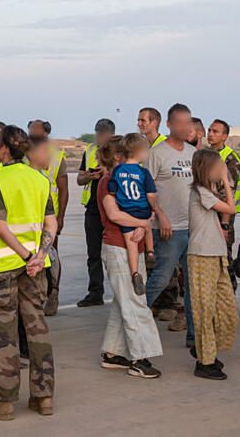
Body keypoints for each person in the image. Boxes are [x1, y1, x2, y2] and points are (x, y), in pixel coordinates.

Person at [0, 125, 56, 421]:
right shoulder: (39, 179)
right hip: (35, 268)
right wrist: (39, 255)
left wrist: (26, 255)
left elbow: (1, 227)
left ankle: (2, 402)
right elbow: (51, 223)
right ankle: (43, 397)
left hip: (5, 266)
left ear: (4, 149)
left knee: (3, 335)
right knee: (37, 329)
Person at [95, 135, 162, 379]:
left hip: (133, 247)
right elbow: (115, 215)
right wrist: (143, 223)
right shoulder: (108, 181)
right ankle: (140, 358)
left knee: (122, 301)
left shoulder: (128, 179)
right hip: (117, 247)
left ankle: (113, 353)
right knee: (136, 303)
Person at [145, 104, 196, 351]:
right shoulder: (157, 154)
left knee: (193, 283)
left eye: (189, 123)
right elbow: (147, 190)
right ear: (169, 125)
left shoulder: (193, 153)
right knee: (161, 278)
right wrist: (160, 215)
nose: (186, 127)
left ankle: (194, 337)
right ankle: (134, 320)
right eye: (181, 123)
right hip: (167, 229)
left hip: (192, 229)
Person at [188, 148, 240, 378]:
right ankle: (204, 360)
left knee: (226, 308)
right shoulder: (201, 191)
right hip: (202, 255)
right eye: (218, 166)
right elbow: (230, 207)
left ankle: (204, 349)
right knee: (204, 309)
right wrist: (226, 183)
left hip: (216, 254)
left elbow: (224, 216)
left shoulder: (207, 192)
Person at [106, 133, 157, 295]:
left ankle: (135, 273)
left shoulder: (117, 171)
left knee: (131, 245)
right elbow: (150, 194)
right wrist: (154, 208)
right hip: (142, 209)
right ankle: (150, 251)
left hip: (126, 210)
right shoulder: (143, 173)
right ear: (139, 152)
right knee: (147, 227)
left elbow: (112, 189)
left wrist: (116, 196)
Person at [26, 119, 66, 315]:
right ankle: (36, 294)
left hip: (50, 214)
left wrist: (61, 217)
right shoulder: (24, 153)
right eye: (30, 129)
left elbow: (64, 188)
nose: (31, 132)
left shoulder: (56, 155)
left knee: (52, 257)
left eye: (35, 129)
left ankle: (54, 293)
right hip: (29, 215)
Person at [76, 118, 116, 307]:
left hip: (112, 209)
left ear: (111, 134)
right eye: (97, 132)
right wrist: (89, 176)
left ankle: (119, 290)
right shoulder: (90, 150)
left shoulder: (119, 150)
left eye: (103, 133)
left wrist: (106, 172)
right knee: (93, 253)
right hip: (92, 209)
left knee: (115, 253)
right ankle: (95, 292)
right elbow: (79, 179)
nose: (99, 136)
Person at [207, 119, 240, 270]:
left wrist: (225, 224)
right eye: (209, 130)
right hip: (209, 212)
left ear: (224, 136)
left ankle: (229, 290)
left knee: (224, 259)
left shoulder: (229, 158)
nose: (210, 134)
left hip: (224, 215)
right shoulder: (206, 155)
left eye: (215, 131)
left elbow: (230, 193)